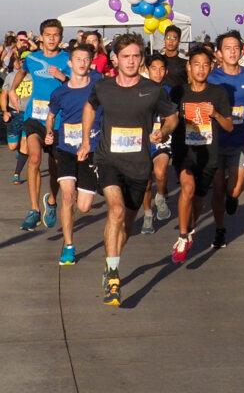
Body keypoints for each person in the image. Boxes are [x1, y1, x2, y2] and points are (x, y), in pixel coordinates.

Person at [79, 34, 177, 305]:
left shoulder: (153, 90)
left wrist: (164, 130)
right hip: (108, 159)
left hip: (139, 166)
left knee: (127, 227)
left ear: (141, 58)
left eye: (136, 56)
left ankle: (111, 260)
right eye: (126, 56)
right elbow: (89, 106)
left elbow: (172, 116)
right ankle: (113, 276)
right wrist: (87, 138)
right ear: (116, 59)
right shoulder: (104, 87)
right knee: (116, 210)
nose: (131, 61)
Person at [169, 47, 234, 263]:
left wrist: (214, 113)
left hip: (209, 154)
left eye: (206, 65)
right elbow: (168, 119)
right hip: (184, 151)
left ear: (211, 67)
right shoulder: (178, 92)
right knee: (187, 188)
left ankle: (189, 230)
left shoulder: (218, 93)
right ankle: (182, 237)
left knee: (198, 202)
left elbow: (229, 127)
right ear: (189, 66)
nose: (201, 69)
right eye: (196, 64)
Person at [207, 30, 244, 249]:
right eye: (227, 48)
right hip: (215, 142)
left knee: (234, 188)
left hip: (240, 140)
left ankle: (232, 199)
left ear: (241, 50)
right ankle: (220, 229)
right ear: (219, 53)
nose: (232, 52)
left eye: (235, 47)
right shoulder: (211, 78)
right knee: (218, 189)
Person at [44, 44, 101, 265]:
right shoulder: (60, 91)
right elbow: (50, 116)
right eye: (78, 59)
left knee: (84, 206)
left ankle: (80, 192)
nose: (82, 63)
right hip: (66, 148)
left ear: (90, 62)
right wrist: (49, 132)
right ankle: (68, 246)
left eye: (86, 59)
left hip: (92, 149)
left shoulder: (99, 85)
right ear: (70, 63)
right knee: (67, 196)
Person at [14, 19, 71, 232]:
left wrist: (62, 77)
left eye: (56, 35)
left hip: (57, 120)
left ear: (61, 37)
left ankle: (52, 201)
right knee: (35, 158)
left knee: (55, 164)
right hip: (34, 118)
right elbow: (20, 71)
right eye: (48, 35)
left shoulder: (67, 59)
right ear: (41, 37)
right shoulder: (33, 58)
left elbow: (76, 83)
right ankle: (34, 209)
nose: (52, 38)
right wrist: (12, 89)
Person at [139, 54, 173, 235]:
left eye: (162, 69)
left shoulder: (170, 90)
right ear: (147, 69)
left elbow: (174, 117)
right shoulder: (139, 89)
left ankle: (160, 197)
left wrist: (165, 131)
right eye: (154, 68)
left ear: (166, 71)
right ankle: (147, 215)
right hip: (144, 139)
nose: (158, 73)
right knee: (145, 181)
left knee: (160, 173)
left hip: (163, 138)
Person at [3, 53, 31, 184]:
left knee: (25, 145)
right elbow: (4, 95)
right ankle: (20, 152)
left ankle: (16, 174)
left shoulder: (36, 77)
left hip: (29, 114)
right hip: (14, 114)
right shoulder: (11, 76)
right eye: (23, 60)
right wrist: (4, 111)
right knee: (13, 146)